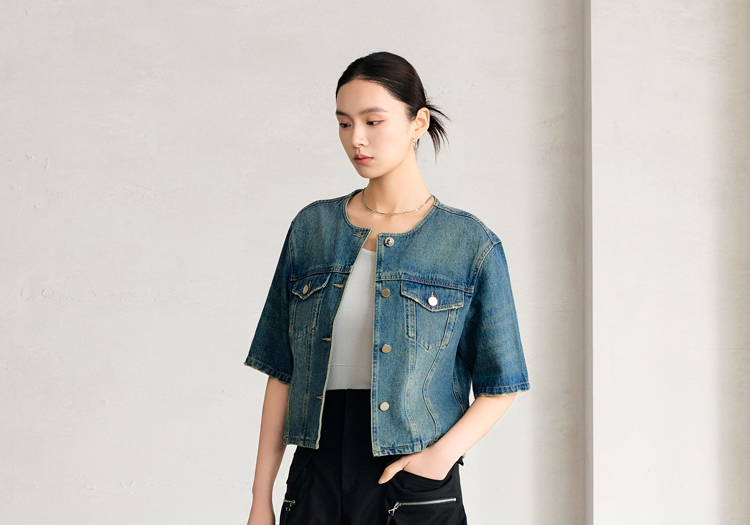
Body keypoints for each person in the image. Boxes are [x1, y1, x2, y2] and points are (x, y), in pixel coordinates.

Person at [244, 51, 530, 525]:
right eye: (344, 123)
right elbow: (281, 371)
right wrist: (260, 498)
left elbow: (503, 382)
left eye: (373, 121)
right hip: (315, 475)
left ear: (418, 123)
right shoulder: (312, 229)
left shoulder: (468, 243)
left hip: (412, 480)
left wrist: (438, 459)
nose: (356, 138)